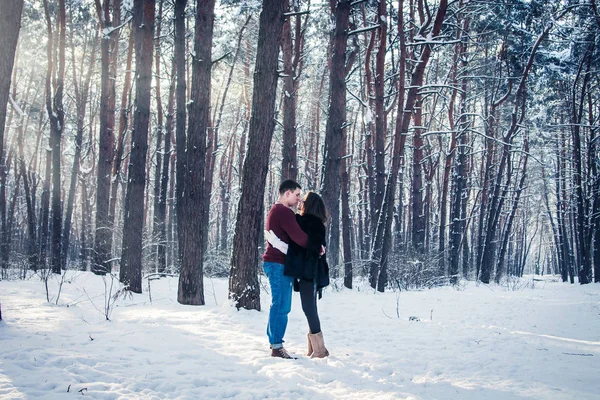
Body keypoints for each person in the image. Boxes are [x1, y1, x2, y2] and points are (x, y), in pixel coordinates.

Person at [266, 191, 330, 358]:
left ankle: (320, 349)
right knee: (310, 308)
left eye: (303, 200)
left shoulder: (302, 221)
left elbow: (305, 247)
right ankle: (313, 348)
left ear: (308, 205)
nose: (300, 202)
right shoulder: (318, 224)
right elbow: (316, 247)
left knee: (308, 308)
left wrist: (275, 242)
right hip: (313, 272)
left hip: (308, 273)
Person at [262, 179, 309, 359]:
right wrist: (316, 246)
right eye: (297, 195)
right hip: (278, 263)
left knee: (279, 303)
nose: (299, 199)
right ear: (287, 193)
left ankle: (274, 341)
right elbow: (300, 238)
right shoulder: (283, 212)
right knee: (282, 305)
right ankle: (276, 346)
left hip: (276, 263)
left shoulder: (277, 210)